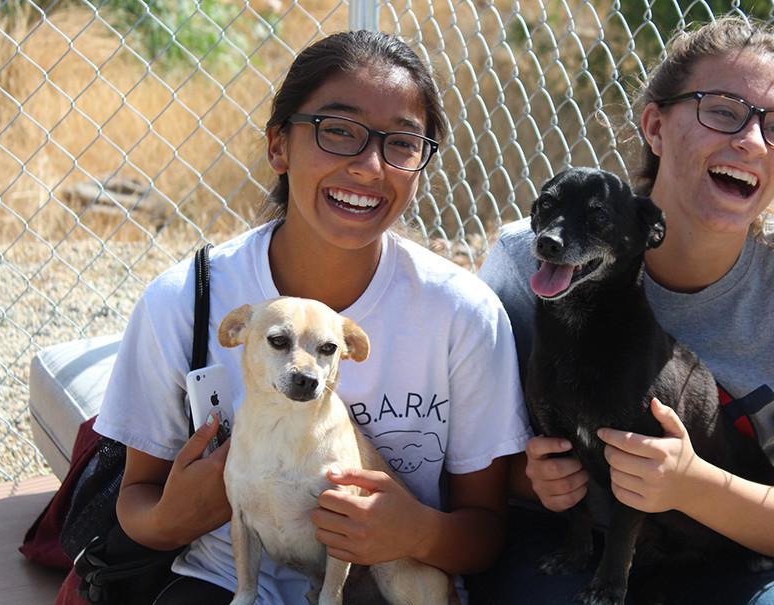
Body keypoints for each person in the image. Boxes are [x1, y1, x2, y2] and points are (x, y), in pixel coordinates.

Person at [92, 30, 531, 605]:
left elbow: (484, 535)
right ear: (279, 146)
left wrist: (415, 530)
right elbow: (136, 506)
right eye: (339, 131)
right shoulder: (184, 300)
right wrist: (179, 514)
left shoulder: (462, 315)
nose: (371, 167)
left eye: (401, 143)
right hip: (224, 584)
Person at [474, 17, 774, 605]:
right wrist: (533, 480)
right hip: (572, 540)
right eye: (724, 111)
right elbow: (474, 471)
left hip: (719, 545)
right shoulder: (527, 263)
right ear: (655, 126)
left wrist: (687, 484)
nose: (752, 141)